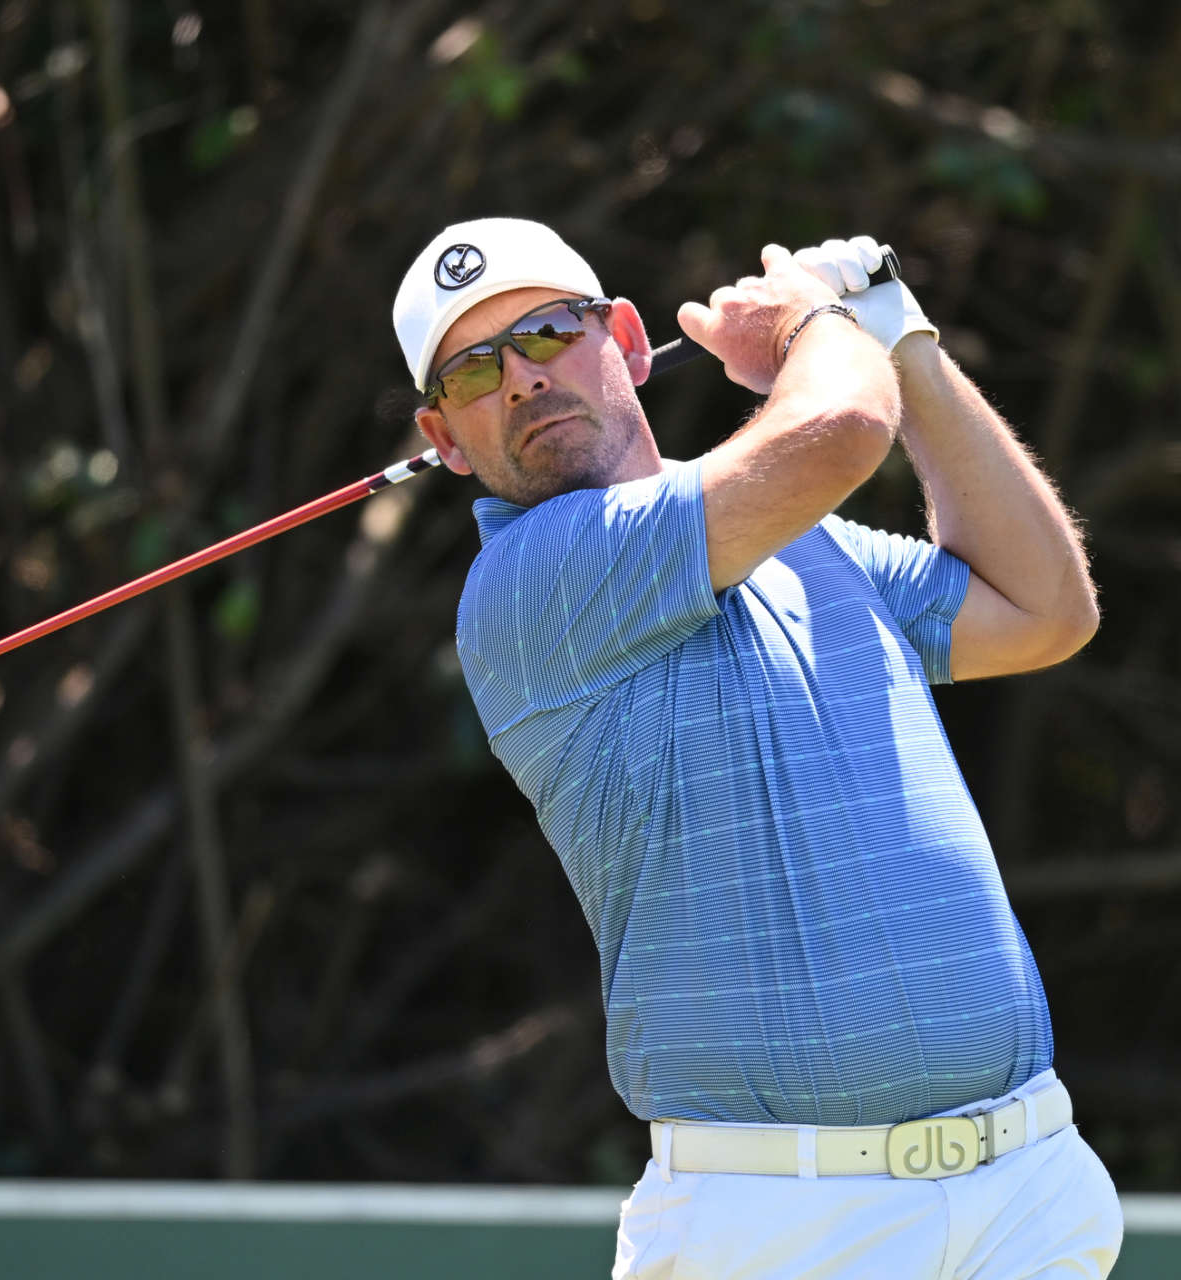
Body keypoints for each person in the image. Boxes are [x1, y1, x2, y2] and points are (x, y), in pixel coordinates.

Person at [391, 218, 1123, 1279]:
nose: (522, 378)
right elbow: (839, 429)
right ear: (445, 436)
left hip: (1025, 1193)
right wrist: (810, 321)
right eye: (474, 369)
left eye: (549, 332)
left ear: (626, 340)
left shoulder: (807, 542)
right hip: (784, 1223)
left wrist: (907, 344)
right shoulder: (529, 584)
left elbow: (1045, 609)